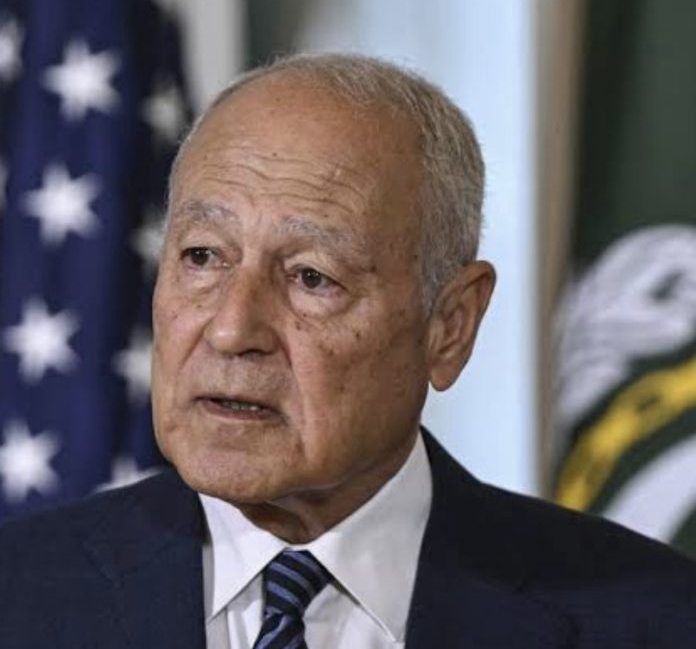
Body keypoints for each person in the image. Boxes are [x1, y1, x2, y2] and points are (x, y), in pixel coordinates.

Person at [1, 53, 695, 649]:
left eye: (311, 277)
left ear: (450, 325)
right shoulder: (19, 596)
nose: (231, 330)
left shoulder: (653, 619)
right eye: (203, 256)